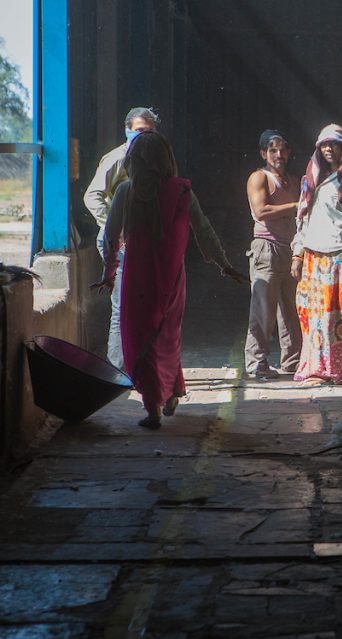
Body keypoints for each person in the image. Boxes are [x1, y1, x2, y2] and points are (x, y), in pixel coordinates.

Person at [91, 131, 247, 429]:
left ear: (133, 161)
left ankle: (152, 409)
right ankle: (172, 390)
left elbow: (111, 238)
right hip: (172, 282)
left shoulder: (126, 192)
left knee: (139, 341)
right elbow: (205, 231)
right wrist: (224, 265)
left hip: (137, 280)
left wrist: (108, 274)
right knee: (165, 337)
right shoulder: (182, 191)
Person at [290, 124, 342, 386]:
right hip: (313, 259)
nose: (328, 149)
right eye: (324, 145)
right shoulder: (311, 180)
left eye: (333, 145)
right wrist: (297, 254)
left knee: (332, 318)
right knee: (310, 315)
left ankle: (334, 370)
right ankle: (314, 367)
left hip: (337, 257)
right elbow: (302, 222)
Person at [84, 107, 160, 369]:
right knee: (122, 308)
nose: (143, 137)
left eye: (149, 132)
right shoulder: (117, 158)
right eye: (138, 131)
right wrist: (116, 225)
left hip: (142, 241)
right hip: (120, 243)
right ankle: (117, 368)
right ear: (127, 130)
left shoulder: (155, 162)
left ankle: (138, 365)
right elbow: (92, 196)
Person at [244, 129, 302, 380]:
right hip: (266, 249)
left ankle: (293, 361)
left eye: (283, 149)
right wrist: (295, 205)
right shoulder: (259, 178)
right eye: (273, 150)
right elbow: (261, 211)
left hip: (290, 249)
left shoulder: (293, 179)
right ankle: (256, 363)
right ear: (263, 153)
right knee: (263, 310)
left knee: (291, 310)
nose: (279, 154)